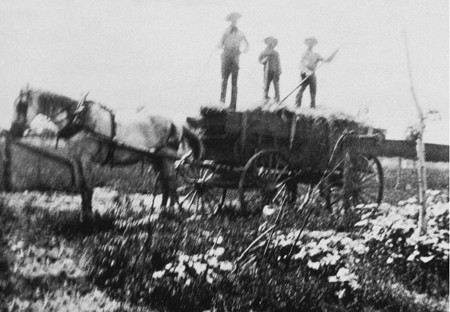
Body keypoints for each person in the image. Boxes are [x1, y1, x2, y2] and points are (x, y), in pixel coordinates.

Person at [218, 12, 249, 111]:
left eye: (235, 19)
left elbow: (247, 45)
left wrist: (241, 51)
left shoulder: (240, 33)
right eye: (232, 19)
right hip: (226, 58)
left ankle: (233, 105)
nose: (234, 21)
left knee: (234, 83)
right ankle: (222, 103)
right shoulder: (226, 32)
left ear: (237, 21)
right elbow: (220, 43)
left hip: (235, 59)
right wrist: (219, 47)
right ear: (230, 21)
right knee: (224, 81)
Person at [295, 37, 335, 108]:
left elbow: (327, 60)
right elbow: (301, 64)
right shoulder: (304, 53)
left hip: (312, 74)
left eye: (313, 43)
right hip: (304, 74)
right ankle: (297, 106)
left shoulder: (316, 55)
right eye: (309, 42)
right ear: (307, 43)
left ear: (314, 44)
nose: (311, 44)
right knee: (301, 90)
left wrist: (334, 54)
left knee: (313, 91)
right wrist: (306, 71)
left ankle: (312, 107)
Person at [259, 36, 281, 103]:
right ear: (266, 42)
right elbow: (260, 60)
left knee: (276, 85)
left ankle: (277, 99)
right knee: (266, 85)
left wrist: (279, 70)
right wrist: (265, 60)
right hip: (267, 70)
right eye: (269, 41)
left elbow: (278, 62)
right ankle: (265, 98)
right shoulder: (263, 52)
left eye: (272, 42)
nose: (271, 43)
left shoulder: (276, 53)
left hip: (275, 70)